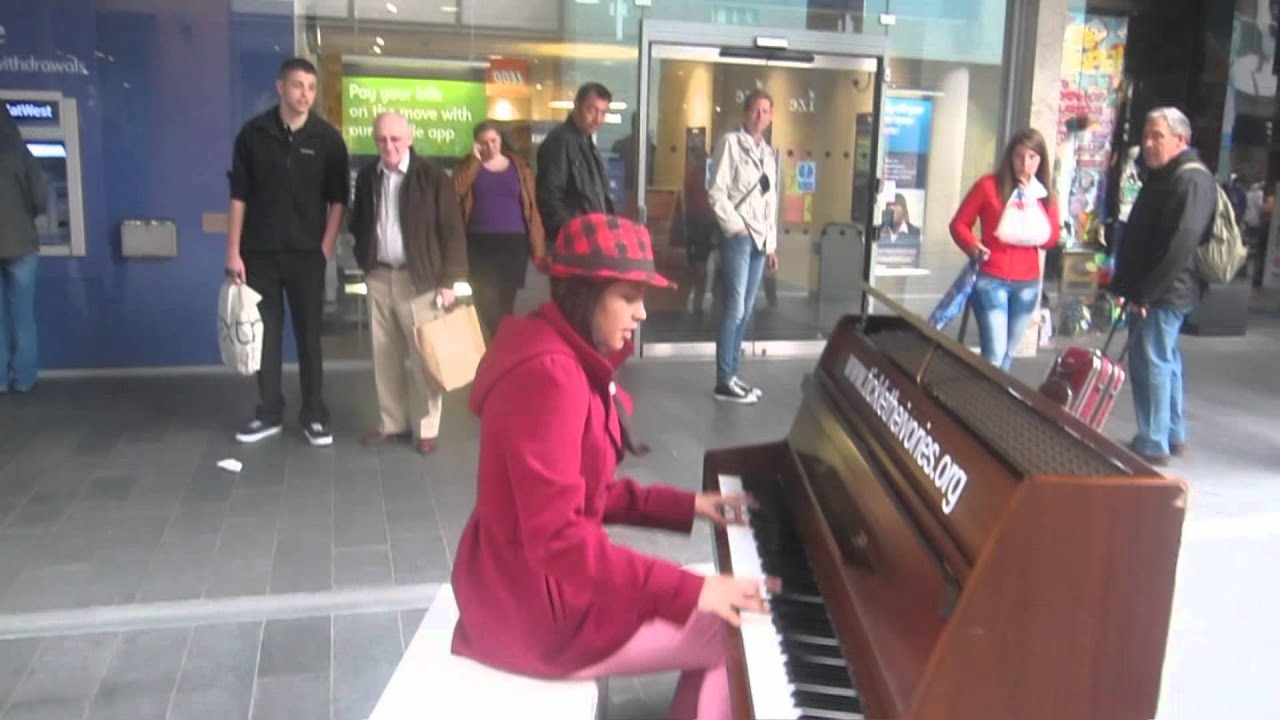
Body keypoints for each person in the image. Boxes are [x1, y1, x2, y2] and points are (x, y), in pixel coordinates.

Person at [450, 213, 766, 720]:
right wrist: (696, 589)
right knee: (740, 629)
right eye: (629, 297)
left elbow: (587, 492)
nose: (642, 313)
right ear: (582, 295)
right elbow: (560, 539)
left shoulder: (557, 353)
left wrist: (688, 506)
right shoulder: (552, 377)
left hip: (521, 590)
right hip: (539, 619)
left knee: (727, 613)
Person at [226, 57, 349, 447]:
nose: (305, 95)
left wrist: (325, 246)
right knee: (267, 336)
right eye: (298, 86)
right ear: (281, 87)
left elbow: (338, 200)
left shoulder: (327, 139)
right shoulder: (252, 135)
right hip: (259, 252)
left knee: (309, 336)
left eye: (311, 88)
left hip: (306, 256)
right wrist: (234, 252)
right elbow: (238, 197)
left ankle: (314, 414)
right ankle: (269, 412)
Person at [348, 112, 467, 455]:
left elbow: (453, 233)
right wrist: (365, 261)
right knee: (384, 354)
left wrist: (449, 282)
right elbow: (359, 223)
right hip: (380, 276)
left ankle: (428, 427)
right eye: (382, 139)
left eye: (396, 139)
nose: (389, 146)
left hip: (422, 281)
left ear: (410, 138)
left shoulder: (431, 177)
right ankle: (393, 423)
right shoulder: (369, 176)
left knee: (425, 357)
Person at [1109, 107, 1216, 466]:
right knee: (1165, 359)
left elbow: (1180, 243)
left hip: (1165, 290)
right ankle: (1172, 433)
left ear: (1181, 140)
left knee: (1151, 358)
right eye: (1146, 135)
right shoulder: (1166, 175)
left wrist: (1147, 293)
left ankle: (1153, 440)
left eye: (1157, 136)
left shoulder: (1190, 180)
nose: (1148, 143)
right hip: (1160, 288)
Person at [949, 128, 1061, 370]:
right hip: (992, 278)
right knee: (994, 353)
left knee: (1008, 353)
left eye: (1032, 157)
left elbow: (1050, 240)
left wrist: (1033, 206)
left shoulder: (1044, 194)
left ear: (1041, 160)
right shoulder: (988, 186)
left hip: (1027, 283)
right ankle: (986, 403)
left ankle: (996, 402)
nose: (1025, 163)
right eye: (1019, 156)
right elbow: (959, 224)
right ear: (1010, 157)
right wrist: (973, 246)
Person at [707, 89, 778, 405]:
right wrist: (737, 228)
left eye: (766, 111)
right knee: (734, 308)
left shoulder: (768, 153)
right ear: (745, 111)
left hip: (760, 240)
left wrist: (771, 244)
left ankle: (733, 375)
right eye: (755, 110)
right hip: (739, 236)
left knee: (747, 310)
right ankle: (723, 380)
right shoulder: (730, 143)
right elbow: (716, 191)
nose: (760, 116)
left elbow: (769, 202)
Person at [453, 121, 545, 337]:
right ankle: (504, 343)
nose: (490, 146)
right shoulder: (469, 166)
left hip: (513, 244)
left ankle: (499, 349)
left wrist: (539, 249)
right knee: (484, 300)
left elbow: (532, 206)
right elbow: (456, 188)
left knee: (506, 303)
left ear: (501, 140)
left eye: (493, 141)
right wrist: (475, 160)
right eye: (483, 143)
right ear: (476, 144)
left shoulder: (519, 166)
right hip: (479, 244)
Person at [0, 106, 48, 393]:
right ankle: (25, 378)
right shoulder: (22, 154)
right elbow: (41, 198)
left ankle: (0, 381)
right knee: (23, 317)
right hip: (22, 244)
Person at [536, 82, 616, 246]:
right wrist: (573, 233)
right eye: (592, 110)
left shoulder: (587, 145)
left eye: (603, 112)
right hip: (574, 241)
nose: (598, 119)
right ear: (576, 106)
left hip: (592, 238)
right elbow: (549, 197)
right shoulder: (559, 142)